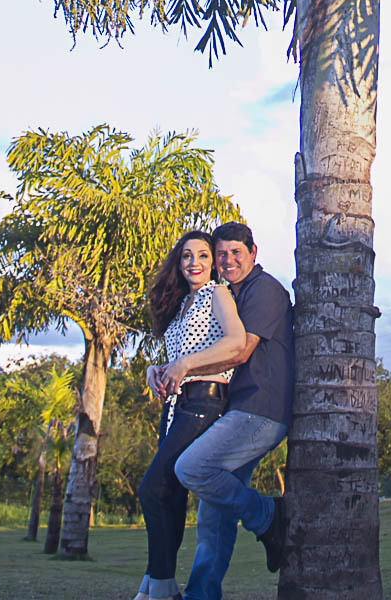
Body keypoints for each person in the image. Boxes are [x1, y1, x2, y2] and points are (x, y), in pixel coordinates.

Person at [170, 221, 295, 600]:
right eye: (221, 254)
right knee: (213, 514)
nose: (227, 261)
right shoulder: (227, 295)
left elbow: (239, 352)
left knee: (191, 468)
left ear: (253, 253)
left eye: (235, 253)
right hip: (236, 410)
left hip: (261, 410)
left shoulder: (265, 291)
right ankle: (201, 595)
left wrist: (185, 368)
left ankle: (268, 516)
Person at [134, 229, 246, 600]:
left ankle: (161, 586)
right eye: (186, 256)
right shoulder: (182, 305)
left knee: (152, 487)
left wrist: (184, 364)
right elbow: (180, 357)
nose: (193, 263)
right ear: (178, 264)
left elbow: (235, 342)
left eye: (202, 255)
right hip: (174, 405)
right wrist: (159, 370)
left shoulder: (218, 293)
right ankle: (156, 582)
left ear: (212, 263)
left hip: (205, 401)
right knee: (169, 495)